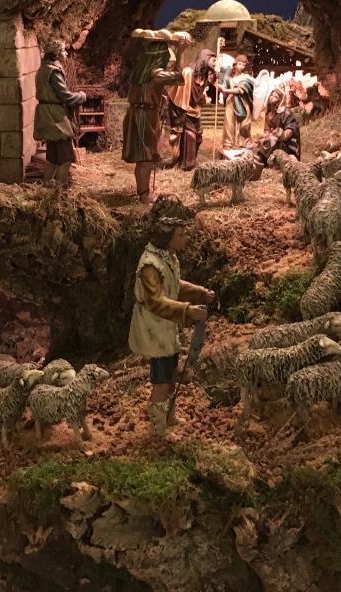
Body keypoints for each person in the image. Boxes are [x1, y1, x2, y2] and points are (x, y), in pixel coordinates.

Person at [128, 207, 215, 438]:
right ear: (168, 238)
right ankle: (159, 429)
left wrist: (198, 292)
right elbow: (156, 301)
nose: (185, 239)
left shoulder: (167, 258)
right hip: (155, 330)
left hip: (167, 328)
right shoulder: (150, 265)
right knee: (161, 380)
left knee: (171, 374)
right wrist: (188, 310)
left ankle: (169, 415)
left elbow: (173, 283)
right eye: (180, 235)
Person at [122, 36, 185, 203]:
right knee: (146, 157)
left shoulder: (141, 72)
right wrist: (181, 51)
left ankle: (142, 190)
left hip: (137, 113)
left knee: (143, 157)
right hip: (145, 116)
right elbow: (179, 78)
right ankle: (144, 194)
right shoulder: (155, 73)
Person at [34, 40, 87, 187]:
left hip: (48, 114)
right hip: (55, 116)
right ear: (56, 54)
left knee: (53, 158)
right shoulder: (53, 71)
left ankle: (45, 188)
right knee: (66, 157)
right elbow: (65, 96)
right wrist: (81, 96)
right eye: (63, 51)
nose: (66, 53)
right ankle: (60, 189)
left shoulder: (43, 69)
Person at [167, 48, 215, 170]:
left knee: (198, 137)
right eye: (213, 60)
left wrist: (204, 99)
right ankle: (185, 165)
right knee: (190, 136)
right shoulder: (189, 72)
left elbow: (199, 95)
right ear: (205, 58)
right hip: (184, 110)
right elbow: (181, 94)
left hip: (195, 111)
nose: (215, 63)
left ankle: (190, 161)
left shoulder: (204, 76)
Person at [254, 87, 301, 164]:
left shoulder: (286, 112)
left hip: (286, 142)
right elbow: (267, 130)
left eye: (275, 97)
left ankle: (262, 158)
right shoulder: (268, 114)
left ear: (280, 100)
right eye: (271, 95)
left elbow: (292, 127)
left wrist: (282, 134)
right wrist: (265, 136)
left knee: (272, 139)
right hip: (275, 137)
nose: (272, 97)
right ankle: (264, 159)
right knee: (264, 140)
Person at [219, 54, 255, 149]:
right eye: (240, 64)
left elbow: (240, 90)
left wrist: (225, 90)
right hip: (230, 102)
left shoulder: (246, 78)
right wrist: (218, 83)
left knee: (244, 124)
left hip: (243, 102)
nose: (241, 67)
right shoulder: (228, 78)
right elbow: (222, 88)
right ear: (235, 64)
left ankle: (243, 142)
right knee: (229, 123)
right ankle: (228, 143)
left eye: (243, 65)